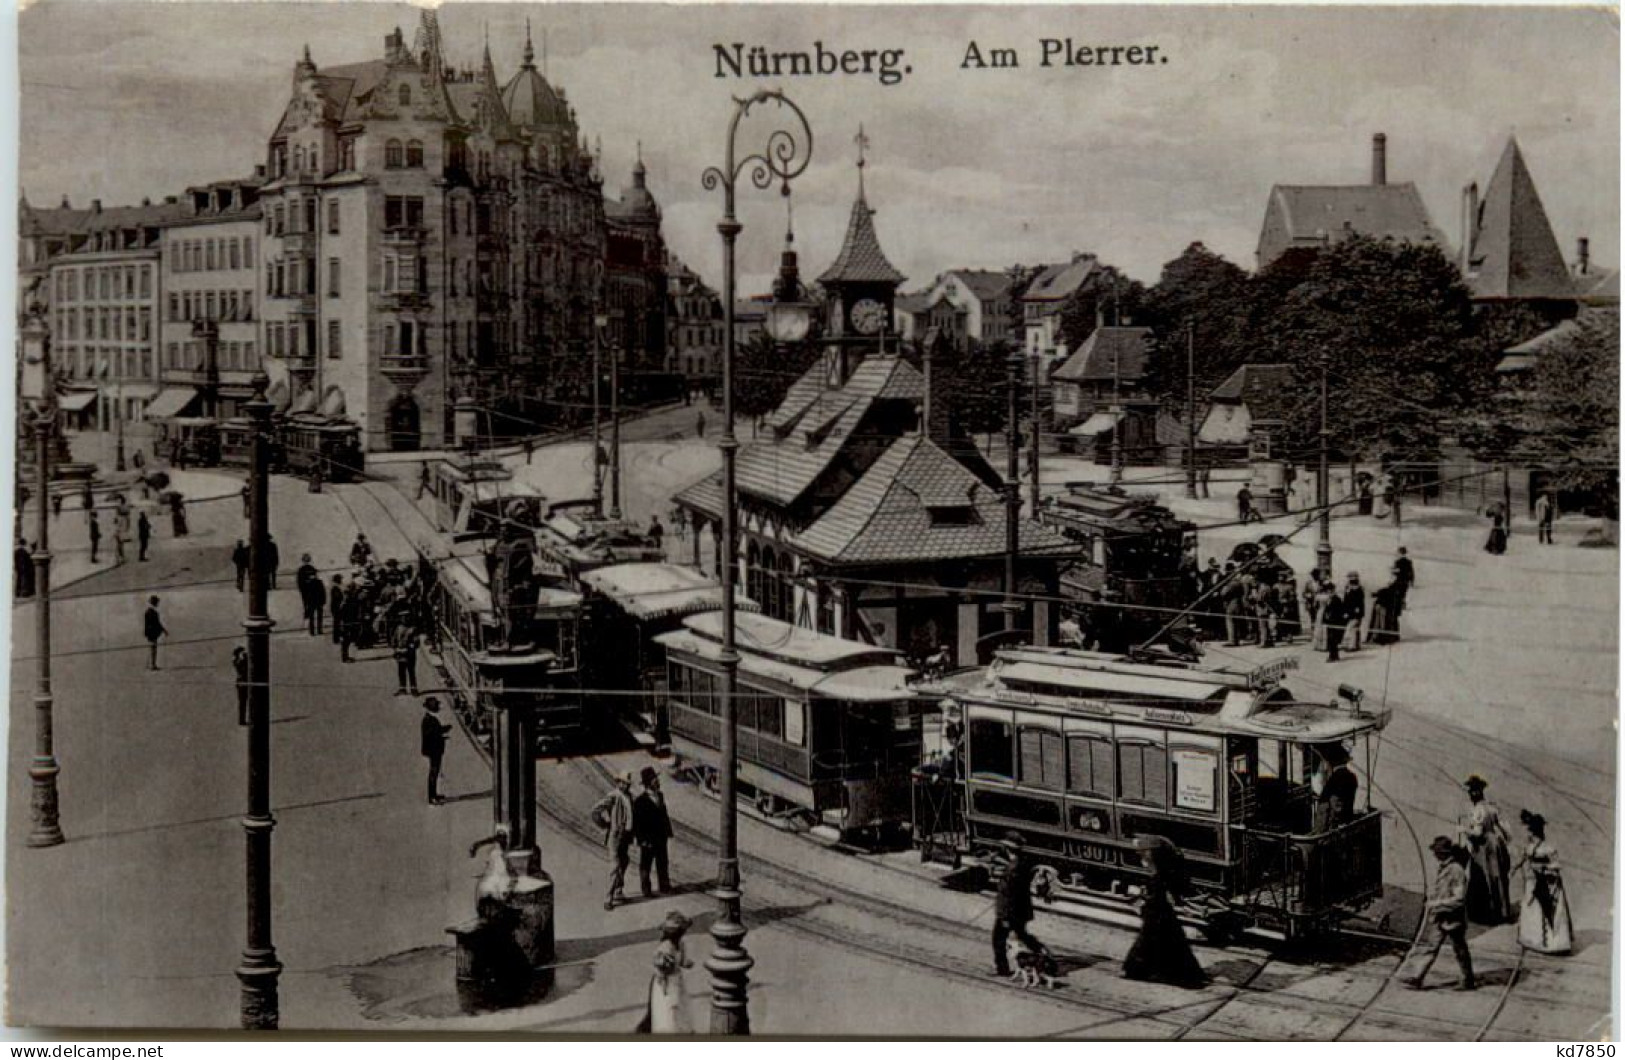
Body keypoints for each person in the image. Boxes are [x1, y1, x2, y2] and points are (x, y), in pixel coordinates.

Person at [1122, 835, 1205, 988]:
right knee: (1170, 940)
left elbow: (1157, 890)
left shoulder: (1157, 869)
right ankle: (1185, 974)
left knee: (1153, 940)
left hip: (1157, 912)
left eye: (1143, 852)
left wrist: (1144, 901)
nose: (1142, 857)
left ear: (1151, 853)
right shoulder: (1165, 866)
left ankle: (1141, 970)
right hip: (1160, 911)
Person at [1401, 837, 1476, 991]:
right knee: (1430, 947)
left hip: (1454, 919)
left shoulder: (1456, 870)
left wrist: (1436, 904)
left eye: (1436, 852)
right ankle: (1417, 977)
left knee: (1460, 950)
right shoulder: (1443, 867)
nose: (1434, 855)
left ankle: (1468, 980)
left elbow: (1459, 899)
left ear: (1442, 853)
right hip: (1440, 917)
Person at [990, 833, 1048, 978]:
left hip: (1010, 912)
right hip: (1021, 910)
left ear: (1008, 848)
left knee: (998, 939)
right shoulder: (1022, 863)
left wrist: (1004, 917)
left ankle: (1002, 969)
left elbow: (1009, 895)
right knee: (1022, 935)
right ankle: (1042, 953)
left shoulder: (1013, 869)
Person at [1515, 810, 1572, 955]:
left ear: (1535, 833)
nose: (1528, 835)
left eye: (1530, 832)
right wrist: (1515, 868)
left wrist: (1543, 869)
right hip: (1532, 882)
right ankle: (1532, 939)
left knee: (1548, 911)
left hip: (1547, 884)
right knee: (1531, 908)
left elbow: (1556, 866)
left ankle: (1552, 944)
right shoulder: (1529, 847)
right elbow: (1523, 858)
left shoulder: (1548, 849)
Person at [1459, 775, 1514, 925]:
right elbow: (1505, 830)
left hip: (1483, 846)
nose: (1469, 795)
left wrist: (1463, 830)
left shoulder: (1478, 810)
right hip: (1495, 843)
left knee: (1483, 876)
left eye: (1470, 792)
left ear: (1475, 793)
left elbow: (1477, 833)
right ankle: (1502, 911)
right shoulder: (1492, 806)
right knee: (1498, 877)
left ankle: (1485, 913)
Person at [636, 911, 695, 1035]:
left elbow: (682, 961)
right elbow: (659, 968)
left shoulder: (681, 944)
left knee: (679, 1006)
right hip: (665, 983)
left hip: (677, 980)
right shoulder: (665, 947)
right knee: (668, 1008)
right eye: (681, 931)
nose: (683, 933)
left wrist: (687, 963)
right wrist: (663, 978)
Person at [592, 771, 636, 910]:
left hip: (625, 836)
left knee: (625, 861)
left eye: (627, 784)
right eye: (623, 783)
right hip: (615, 836)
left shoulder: (629, 796)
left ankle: (618, 891)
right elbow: (595, 811)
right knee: (615, 865)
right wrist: (605, 824)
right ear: (618, 783)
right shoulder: (613, 796)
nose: (626, 786)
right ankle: (608, 898)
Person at [634, 766, 674, 897]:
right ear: (647, 783)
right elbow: (638, 824)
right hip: (648, 840)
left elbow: (664, 815)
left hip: (661, 837)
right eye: (653, 779)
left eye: (656, 778)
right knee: (646, 864)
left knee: (663, 862)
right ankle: (646, 890)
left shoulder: (660, 796)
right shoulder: (640, 801)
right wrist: (642, 840)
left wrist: (668, 832)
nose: (657, 781)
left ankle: (664, 886)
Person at [1311, 744, 1358, 832]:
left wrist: (1321, 831)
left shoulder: (1334, 780)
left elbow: (1334, 808)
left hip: (1332, 829)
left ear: (1330, 762)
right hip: (1346, 820)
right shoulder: (1352, 776)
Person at [420, 697, 451, 805]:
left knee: (435, 772)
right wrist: (442, 734)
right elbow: (432, 734)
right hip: (433, 750)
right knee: (433, 772)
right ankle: (431, 797)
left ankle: (434, 794)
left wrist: (444, 729)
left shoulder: (429, 719)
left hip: (433, 749)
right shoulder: (429, 720)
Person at [392, 622, 420, 696]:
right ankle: (402, 688)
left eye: (405, 617)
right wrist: (395, 648)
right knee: (401, 671)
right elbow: (394, 639)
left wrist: (409, 649)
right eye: (402, 617)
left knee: (411, 671)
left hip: (409, 654)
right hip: (400, 654)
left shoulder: (413, 629)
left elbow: (416, 642)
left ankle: (413, 689)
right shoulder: (398, 628)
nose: (404, 618)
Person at [1321, 586, 1348, 663]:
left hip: (1335, 623)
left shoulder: (1337, 599)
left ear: (1333, 591)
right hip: (1330, 623)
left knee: (1333, 640)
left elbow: (1338, 612)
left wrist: (1330, 618)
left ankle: (1332, 656)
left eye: (1330, 592)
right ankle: (1335, 655)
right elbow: (1326, 611)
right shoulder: (1329, 600)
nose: (1329, 593)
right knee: (1331, 640)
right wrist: (1324, 620)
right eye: (1327, 592)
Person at [1342, 572, 1366, 652]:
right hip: (1349, 611)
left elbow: (1359, 601)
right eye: (1349, 578)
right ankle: (1354, 645)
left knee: (1353, 628)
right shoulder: (1347, 588)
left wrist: (1357, 610)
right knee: (1353, 628)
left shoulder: (1359, 589)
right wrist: (1345, 611)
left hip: (1356, 611)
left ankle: (1352, 646)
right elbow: (1345, 600)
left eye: (1352, 578)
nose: (1350, 580)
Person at [143, 596, 167, 671]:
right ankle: (152, 665)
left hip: (150, 632)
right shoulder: (153, 612)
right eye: (157, 602)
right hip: (152, 633)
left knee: (152, 648)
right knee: (153, 648)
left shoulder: (148, 611)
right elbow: (157, 623)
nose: (158, 604)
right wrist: (163, 630)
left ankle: (151, 664)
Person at [232, 645, 250, 725]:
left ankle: (242, 719)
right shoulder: (238, 661)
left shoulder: (238, 660)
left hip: (242, 682)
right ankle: (242, 720)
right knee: (243, 702)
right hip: (243, 683)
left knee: (243, 702)